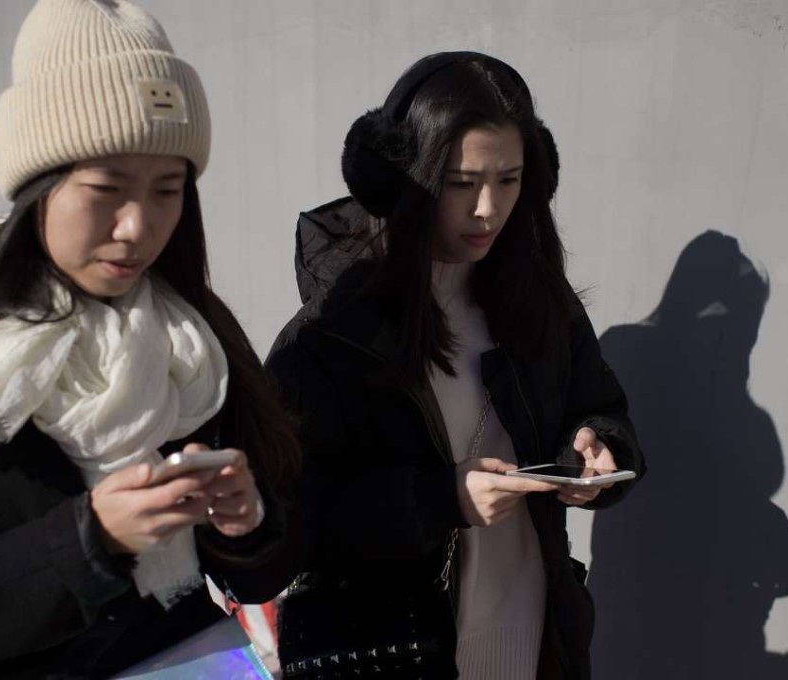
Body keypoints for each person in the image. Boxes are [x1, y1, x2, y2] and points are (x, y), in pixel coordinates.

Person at [0, 1, 299, 678]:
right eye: (106, 188)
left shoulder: (197, 337)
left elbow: (267, 570)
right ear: (38, 187)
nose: (138, 226)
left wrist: (247, 526)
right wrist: (89, 541)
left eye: (169, 190)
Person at [267, 52, 645, 679]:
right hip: (397, 652)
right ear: (408, 180)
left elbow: (598, 405)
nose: (488, 209)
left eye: (510, 179)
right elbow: (295, 520)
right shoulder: (333, 335)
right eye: (462, 183)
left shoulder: (541, 303)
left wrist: (599, 447)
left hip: (532, 629)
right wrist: (443, 498)